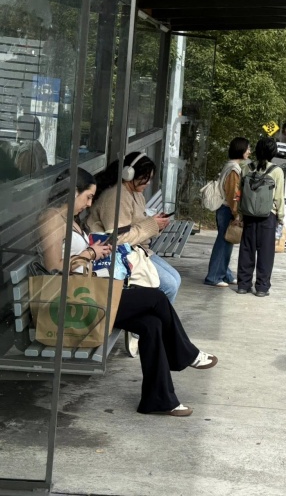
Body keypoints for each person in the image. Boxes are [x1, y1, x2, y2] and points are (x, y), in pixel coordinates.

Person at [38, 168, 217, 417]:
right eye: (87, 197)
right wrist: (89, 253)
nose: (89, 203)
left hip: (88, 294)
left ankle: (158, 400)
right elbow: (53, 269)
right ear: (72, 192)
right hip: (74, 304)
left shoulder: (70, 219)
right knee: (156, 298)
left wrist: (97, 250)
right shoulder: (51, 219)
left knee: (152, 324)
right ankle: (185, 354)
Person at [86, 152, 182, 304]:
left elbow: (138, 227)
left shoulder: (136, 194)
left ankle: (159, 316)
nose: (148, 183)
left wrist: (157, 224)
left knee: (176, 278)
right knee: (169, 285)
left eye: (150, 178)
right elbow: (118, 238)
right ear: (129, 174)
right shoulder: (116, 197)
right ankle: (156, 316)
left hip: (138, 250)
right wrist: (152, 224)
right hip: (120, 254)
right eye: (145, 178)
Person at [236, 137, 285, 297]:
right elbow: (279, 197)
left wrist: (240, 214)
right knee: (266, 252)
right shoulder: (276, 171)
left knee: (246, 249)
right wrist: (281, 217)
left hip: (249, 214)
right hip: (268, 216)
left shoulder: (247, 168)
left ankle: (243, 285)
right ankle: (262, 288)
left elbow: (241, 193)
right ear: (273, 152)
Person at [204, 137, 250, 287]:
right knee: (223, 243)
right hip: (227, 209)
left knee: (227, 242)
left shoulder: (230, 166)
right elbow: (232, 195)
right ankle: (214, 276)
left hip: (224, 209)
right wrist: (236, 214)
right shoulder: (234, 169)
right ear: (241, 150)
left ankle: (225, 274)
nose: (249, 152)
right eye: (247, 149)